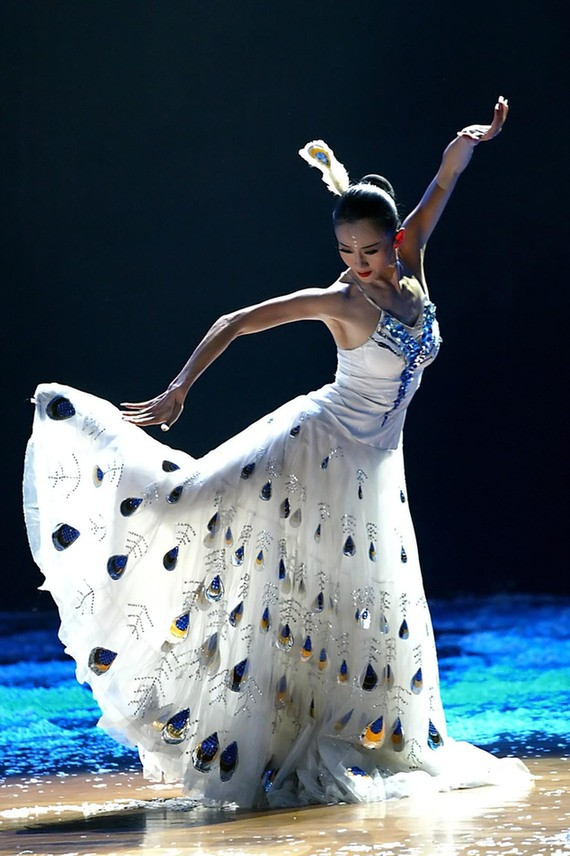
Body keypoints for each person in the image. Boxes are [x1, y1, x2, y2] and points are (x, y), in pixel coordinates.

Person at [23, 97, 530, 808]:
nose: (357, 265)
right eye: (346, 253)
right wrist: (177, 390)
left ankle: (338, 733)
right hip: (313, 448)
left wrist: (470, 140)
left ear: (394, 240)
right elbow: (236, 321)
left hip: (374, 471)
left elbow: (443, 182)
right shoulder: (344, 300)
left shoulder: (413, 259)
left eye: (369, 251)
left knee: (349, 609)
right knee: (192, 504)